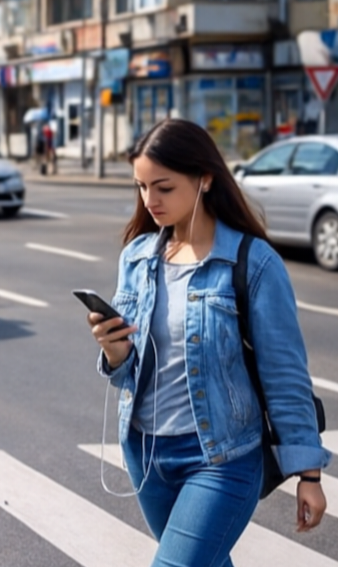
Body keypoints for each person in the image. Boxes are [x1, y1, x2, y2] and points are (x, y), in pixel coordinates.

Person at [88, 118, 328, 566]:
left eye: (163, 187)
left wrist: (308, 473)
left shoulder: (252, 263)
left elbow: (285, 373)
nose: (150, 201)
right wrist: (114, 350)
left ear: (204, 178)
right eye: (141, 187)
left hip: (221, 458)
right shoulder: (138, 258)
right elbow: (128, 374)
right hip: (147, 453)